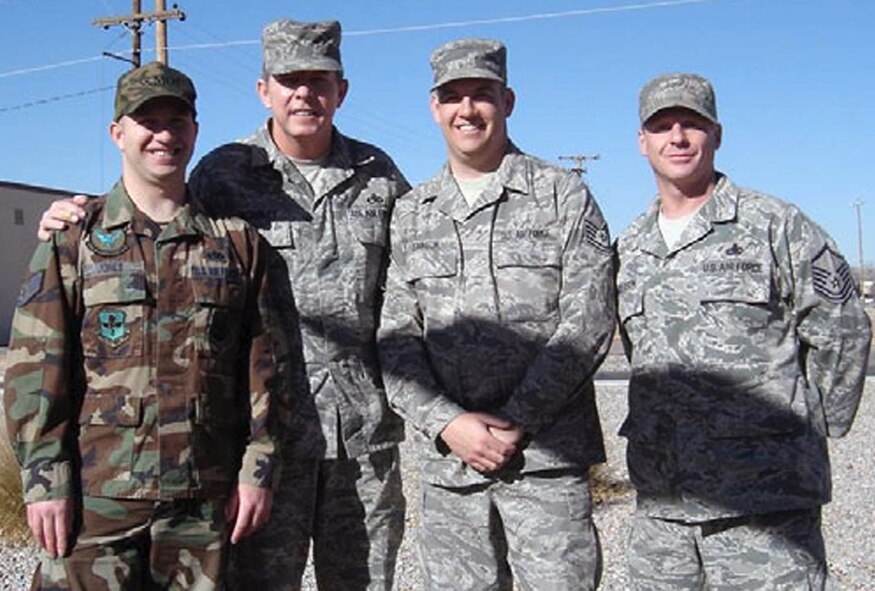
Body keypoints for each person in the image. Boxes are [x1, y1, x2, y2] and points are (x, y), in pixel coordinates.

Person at [39, 19, 410, 590]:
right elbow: (154, 222)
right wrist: (74, 215)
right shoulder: (223, 172)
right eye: (289, 80)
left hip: (361, 437)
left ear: (342, 89)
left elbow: (414, 293)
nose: (304, 93)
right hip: (252, 446)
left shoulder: (380, 177)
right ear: (264, 90)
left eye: (319, 80)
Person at [4, 61, 283, 590]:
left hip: (201, 502)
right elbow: (34, 370)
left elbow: (265, 369)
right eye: (147, 121)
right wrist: (45, 481)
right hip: (97, 500)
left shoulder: (237, 244)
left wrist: (259, 468)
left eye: (177, 122)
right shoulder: (74, 239)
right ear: (118, 133)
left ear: (195, 131)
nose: (164, 135)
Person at [615, 72, 872, 589]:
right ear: (643, 142)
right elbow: (635, 347)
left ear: (717, 134)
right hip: (664, 508)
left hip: (764, 506)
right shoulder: (631, 247)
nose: (678, 138)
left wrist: (800, 426)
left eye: (693, 124)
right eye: (662, 126)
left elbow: (842, 329)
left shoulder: (776, 225)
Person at [377, 38, 615, 590]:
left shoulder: (561, 195)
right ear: (434, 108)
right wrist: (447, 423)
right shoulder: (413, 212)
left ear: (507, 101)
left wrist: (518, 419)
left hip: (546, 461)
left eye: (481, 95)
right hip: (450, 469)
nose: (467, 110)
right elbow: (395, 338)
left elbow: (590, 318)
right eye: (452, 96)